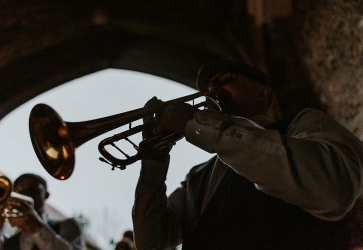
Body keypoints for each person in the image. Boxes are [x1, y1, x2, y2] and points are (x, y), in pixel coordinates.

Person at [132, 59, 363, 250]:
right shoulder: (196, 178)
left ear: (263, 94)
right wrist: (154, 160)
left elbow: (333, 191)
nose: (213, 90)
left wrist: (199, 124)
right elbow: (151, 244)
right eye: (209, 89)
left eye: (226, 80)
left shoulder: (302, 126)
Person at [0, 173, 85, 250]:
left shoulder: (68, 226)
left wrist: (36, 227)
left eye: (33, 189)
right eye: (19, 191)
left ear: (46, 195)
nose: (25, 195)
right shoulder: (7, 243)